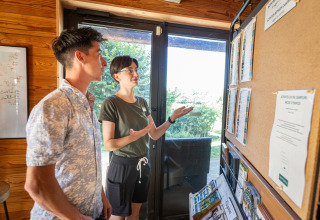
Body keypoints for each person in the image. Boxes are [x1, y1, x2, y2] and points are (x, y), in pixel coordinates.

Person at [24, 27, 111, 220]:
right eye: (99, 55)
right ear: (80, 57)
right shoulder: (53, 107)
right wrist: (76, 217)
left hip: (93, 211)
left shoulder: (87, 103)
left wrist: (102, 196)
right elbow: (36, 184)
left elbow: (90, 160)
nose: (104, 62)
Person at [98, 55, 193, 220]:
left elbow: (154, 134)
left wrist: (171, 119)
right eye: (129, 70)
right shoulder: (110, 103)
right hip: (122, 166)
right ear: (116, 76)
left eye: (136, 69)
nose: (135, 73)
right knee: (118, 216)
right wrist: (133, 137)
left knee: (135, 214)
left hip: (143, 164)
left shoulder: (141, 102)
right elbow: (109, 145)